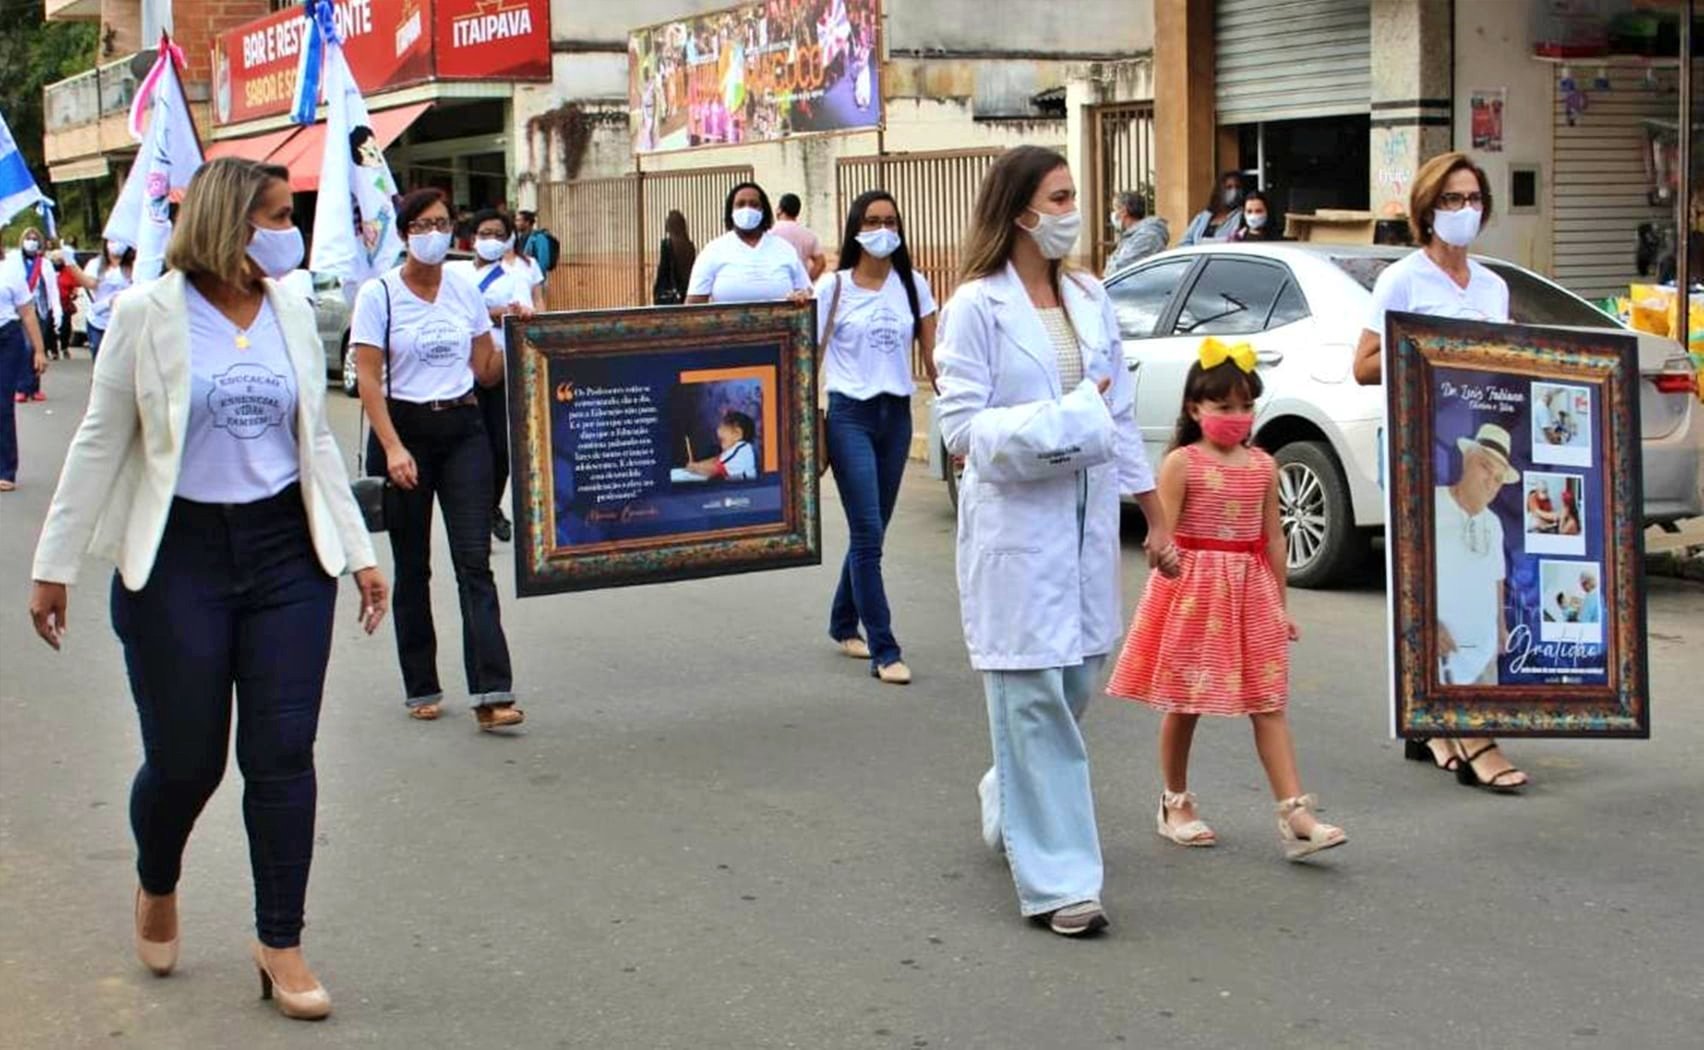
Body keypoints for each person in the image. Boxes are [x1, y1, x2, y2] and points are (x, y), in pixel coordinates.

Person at [25, 158, 388, 1020]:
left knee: (282, 755)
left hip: (285, 558)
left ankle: (281, 942)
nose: (285, 229)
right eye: (271, 214)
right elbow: (97, 441)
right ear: (229, 223)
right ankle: (158, 875)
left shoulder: (292, 308)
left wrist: (358, 549)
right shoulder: (147, 314)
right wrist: (54, 565)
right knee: (188, 761)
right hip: (178, 557)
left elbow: (317, 446)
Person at [935, 145, 1177, 937]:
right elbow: (960, 430)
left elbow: (1119, 413)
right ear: (1019, 211)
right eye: (1060, 196)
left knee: (1075, 680)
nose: (1075, 210)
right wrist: (1066, 422)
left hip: (1085, 524)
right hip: (1017, 526)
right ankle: (1062, 880)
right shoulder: (977, 305)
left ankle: (1009, 792)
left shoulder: (1089, 295)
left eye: (1077, 195)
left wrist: (1155, 512)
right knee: (1035, 697)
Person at [1106, 340, 1348, 860]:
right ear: (1195, 409)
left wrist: (1280, 606)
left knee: (1269, 702)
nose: (1236, 417)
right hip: (1194, 593)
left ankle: (1295, 813)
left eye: (1245, 406)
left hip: (1251, 590)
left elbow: (1274, 539)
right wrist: (1163, 557)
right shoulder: (1181, 463)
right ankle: (1175, 802)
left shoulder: (1264, 466)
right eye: (1223, 407)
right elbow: (1161, 535)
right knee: (1185, 701)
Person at [1352, 151, 1528, 793]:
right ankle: (1466, 730)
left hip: (1476, 449)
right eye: (1451, 200)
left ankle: (1438, 724)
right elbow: (1364, 365)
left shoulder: (1491, 286)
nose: (1464, 211)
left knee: (1467, 584)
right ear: (1427, 210)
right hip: (1418, 450)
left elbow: (1502, 366)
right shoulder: (1403, 280)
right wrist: (1423, 349)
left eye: (1474, 199)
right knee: (1428, 586)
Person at [352, 188, 523, 731]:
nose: (435, 233)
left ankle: (492, 691)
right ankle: (420, 683)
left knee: (474, 563)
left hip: (463, 429)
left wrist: (519, 336)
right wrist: (394, 447)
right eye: (424, 224)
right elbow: (368, 380)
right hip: (405, 432)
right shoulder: (378, 295)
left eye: (444, 224)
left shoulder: (464, 288)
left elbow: (485, 369)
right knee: (414, 566)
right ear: (404, 234)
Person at [815, 189, 939, 685]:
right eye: (871, 221)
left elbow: (935, 355)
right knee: (867, 533)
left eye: (890, 220)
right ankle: (884, 649)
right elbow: (808, 355)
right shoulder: (834, 287)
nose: (882, 229)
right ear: (855, 228)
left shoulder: (913, 285)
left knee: (875, 528)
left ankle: (843, 620)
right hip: (849, 416)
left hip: (896, 415)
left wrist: (960, 419)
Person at [447, 208, 542, 544]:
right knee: (472, 444)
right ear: (472, 239)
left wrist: (513, 314)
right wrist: (491, 313)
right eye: (485, 234)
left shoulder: (514, 275)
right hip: (463, 367)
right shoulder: (453, 274)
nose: (492, 241)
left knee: (501, 446)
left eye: (499, 235)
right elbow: (449, 313)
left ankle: (489, 506)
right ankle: (475, 511)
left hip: (502, 365)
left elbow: (522, 311)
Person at [684, 182, 813, 306]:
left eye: (754, 204)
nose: (747, 209)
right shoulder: (713, 251)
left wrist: (801, 296)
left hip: (781, 328)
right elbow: (693, 306)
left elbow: (808, 293)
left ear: (763, 211)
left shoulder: (784, 249)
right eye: (740, 204)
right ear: (731, 211)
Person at [0, 244, 48, 492]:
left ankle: (6, 470)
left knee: (2, 404)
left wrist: (39, 350)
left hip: (6, 338)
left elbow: (28, 312)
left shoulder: (9, 271)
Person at [6, 228, 61, 401]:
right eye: (28, 238)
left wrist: (57, 310)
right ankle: (22, 387)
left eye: (34, 238)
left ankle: (34, 387)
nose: (31, 241)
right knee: (26, 347)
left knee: (38, 349)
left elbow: (52, 289)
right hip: (21, 310)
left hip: (40, 309)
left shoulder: (44, 264)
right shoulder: (14, 261)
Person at [70, 241, 136, 361]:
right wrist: (71, 264)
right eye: (112, 240)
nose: (116, 244)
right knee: (100, 359)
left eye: (120, 240)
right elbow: (90, 283)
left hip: (124, 322)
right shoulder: (96, 264)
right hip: (99, 321)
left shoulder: (135, 265)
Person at [1104, 190, 1169, 275]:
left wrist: (1110, 268)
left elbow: (1121, 270)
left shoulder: (1147, 237)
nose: (1113, 214)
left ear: (1124, 211)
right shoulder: (1131, 235)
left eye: (1115, 209)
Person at [681, 410, 757, 480]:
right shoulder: (736, 450)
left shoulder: (741, 449)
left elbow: (714, 469)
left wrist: (694, 467)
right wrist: (696, 465)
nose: (718, 431)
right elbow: (717, 459)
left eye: (722, 427)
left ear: (737, 434)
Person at [1178, 171, 1246, 246]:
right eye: (1229, 187)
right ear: (1220, 191)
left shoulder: (1242, 216)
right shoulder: (1203, 217)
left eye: (1238, 187)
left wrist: (1203, 244)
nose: (1234, 191)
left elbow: (1236, 241)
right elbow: (1184, 242)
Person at [771, 192, 827, 281]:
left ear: (779, 209)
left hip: (775, 287)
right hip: (800, 291)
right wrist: (807, 281)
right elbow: (821, 262)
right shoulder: (809, 235)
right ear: (797, 212)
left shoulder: (769, 233)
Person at [653, 209, 697, 305]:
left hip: (670, 296)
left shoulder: (667, 244)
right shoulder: (690, 246)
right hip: (687, 292)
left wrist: (657, 292)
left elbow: (663, 271)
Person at [516, 210, 557, 280]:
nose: (516, 223)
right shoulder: (520, 238)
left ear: (527, 222)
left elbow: (543, 261)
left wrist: (537, 281)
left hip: (535, 281)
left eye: (518, 220)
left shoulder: (539, 238)